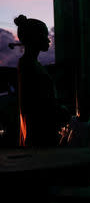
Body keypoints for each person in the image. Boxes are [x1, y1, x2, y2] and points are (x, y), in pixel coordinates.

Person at [15, 14, 58, 147]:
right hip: (38, 136)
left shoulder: (30, 64)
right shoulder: (29, 65)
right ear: (34, 38)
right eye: (45, 36)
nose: (49, 40)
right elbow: (35, 102)